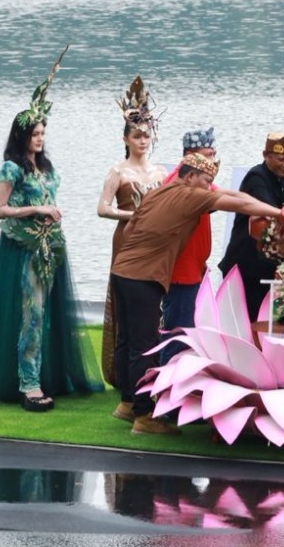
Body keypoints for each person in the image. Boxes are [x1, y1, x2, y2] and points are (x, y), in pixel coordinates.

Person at [0, 48, 104, 411]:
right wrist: (37, 209)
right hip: (24, 247)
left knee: (53, 314)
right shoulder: (12, 169)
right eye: (35, 133)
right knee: (32, 313)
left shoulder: (45, 167)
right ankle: (28, 384)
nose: (40, 138)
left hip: (52, 246)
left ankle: (52, 376)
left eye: (43, 132)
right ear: (22, 135)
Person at [111, 153, 284, 434]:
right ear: (190, 176)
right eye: (206, 181)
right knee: (144, 345)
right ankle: (144, 417)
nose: (209, 187)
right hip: (143, 277)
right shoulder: (191, 195)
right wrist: (279, 213)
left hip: (122, 271)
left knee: (128, 340)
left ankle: (128, 404)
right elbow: (238, 203)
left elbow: (130, 227)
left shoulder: (159, 192)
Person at [97, 77, 166, 390]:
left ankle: (151, 375)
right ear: (125, 139)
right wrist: (131, 215)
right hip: (126, 240)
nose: (142, 141)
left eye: (146, 136)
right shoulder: (118, 171)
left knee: (153, 312)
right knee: (127, 315)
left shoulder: (160, 172)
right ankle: (126, 381)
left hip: (154, 243)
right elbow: (102, 208)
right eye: (137, 136)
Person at [218, 132, 284, 321]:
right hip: (245, 266)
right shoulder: (256, 177)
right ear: (265, 155)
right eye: (281, 159)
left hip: (271, 267)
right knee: (246, 324)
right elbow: (268, 209)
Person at [159, 127, 218, 365]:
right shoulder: (181, 182)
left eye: (214, 154)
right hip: (181, 273)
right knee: (178, 335)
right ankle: (166, 393)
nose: (213, 160)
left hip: (194, 269)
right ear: (190, 156)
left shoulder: (196, 180)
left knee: (188, 333)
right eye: (208, 154)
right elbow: (221, 200)